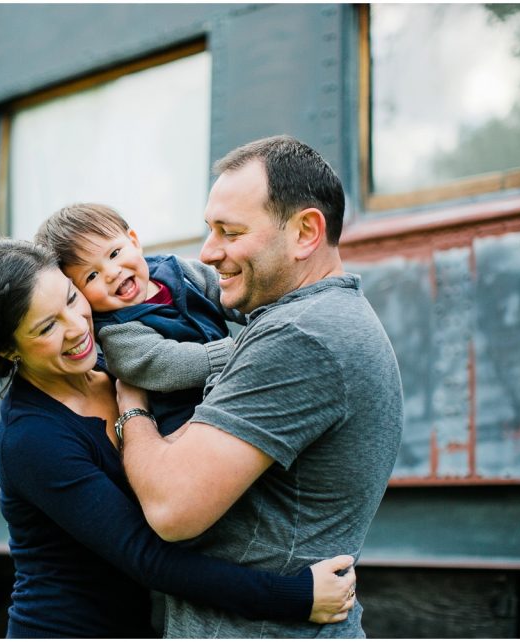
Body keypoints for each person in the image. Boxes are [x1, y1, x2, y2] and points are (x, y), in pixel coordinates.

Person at [0, 236, 357, 638]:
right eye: (47, 327)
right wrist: (297, 596)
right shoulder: (31, 438)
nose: (76, 327)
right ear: (7, 350)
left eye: (71, 298)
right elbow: (148, 559)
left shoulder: (122, 361)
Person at [115, 135, 404, 638]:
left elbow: (171, 507)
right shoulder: (323, 318)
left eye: (230, 231)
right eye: (210, 230)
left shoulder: (301, 335)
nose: (208, 252)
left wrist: (132, 403)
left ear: (305, 232)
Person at [35, 203, 240, 434]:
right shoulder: (116, 332)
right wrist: (240, 350)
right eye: (92, 275)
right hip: (190, 422)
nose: (112, 273)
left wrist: (263, 313)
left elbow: (230, 296)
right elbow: (168, 363)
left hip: (233, 384)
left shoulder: (176, 269)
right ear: (80, 294)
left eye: (114, 254)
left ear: (133, 241)